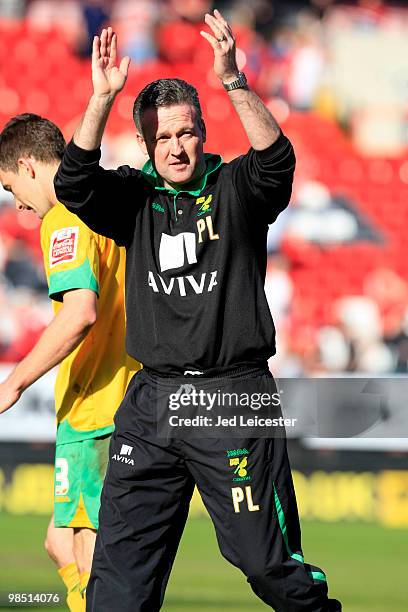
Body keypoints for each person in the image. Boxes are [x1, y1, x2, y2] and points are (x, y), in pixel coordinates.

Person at [54, 9, 342, 612]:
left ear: (203, 132)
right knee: (117, 586)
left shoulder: (236, 187)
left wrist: (235, 82)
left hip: (232, 396)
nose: (176, 147)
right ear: (144, 142)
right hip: (152, 401)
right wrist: (102, 98)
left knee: (266, 565)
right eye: (161, 137)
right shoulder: (134, 197)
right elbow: (75, 185)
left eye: (185, 132)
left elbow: (277, 165)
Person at [0, 114, 141, 612]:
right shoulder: (106, 207)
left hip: (93, 408)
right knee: (59, 542)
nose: (16, 205)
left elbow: (80, 312)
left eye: (10, 186)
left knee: (90, 561)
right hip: (122, 399)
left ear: (26, 165)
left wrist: (13, 383)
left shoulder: (63, 218)